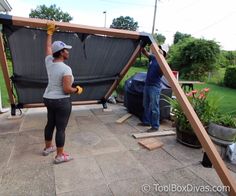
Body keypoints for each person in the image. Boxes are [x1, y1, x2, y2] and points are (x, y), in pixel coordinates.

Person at [42, 21, 83, 164]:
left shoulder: (49, 61)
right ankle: (60, 156)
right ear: (61, 52)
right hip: (61, 101)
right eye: (66, 49)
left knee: (50, 124)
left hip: (48, 98)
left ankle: (48, 148)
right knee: (61, 128)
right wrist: (77, 90)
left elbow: (48, 47)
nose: (68, 51)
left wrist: (49, 33)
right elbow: (66, 89)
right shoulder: (66, 69)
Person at [138, 46, 167, 132]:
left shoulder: (163, 63)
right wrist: (142, 45)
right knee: (145, 104)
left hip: (155, 87)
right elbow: (145, 52)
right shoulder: (153, 58)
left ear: (164, 53)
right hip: (147, 85)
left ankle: (155, 126)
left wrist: (162, 59)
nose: (158, 50)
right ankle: (146, 121)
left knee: (154, 107)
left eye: (160, 49)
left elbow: (162, 72)